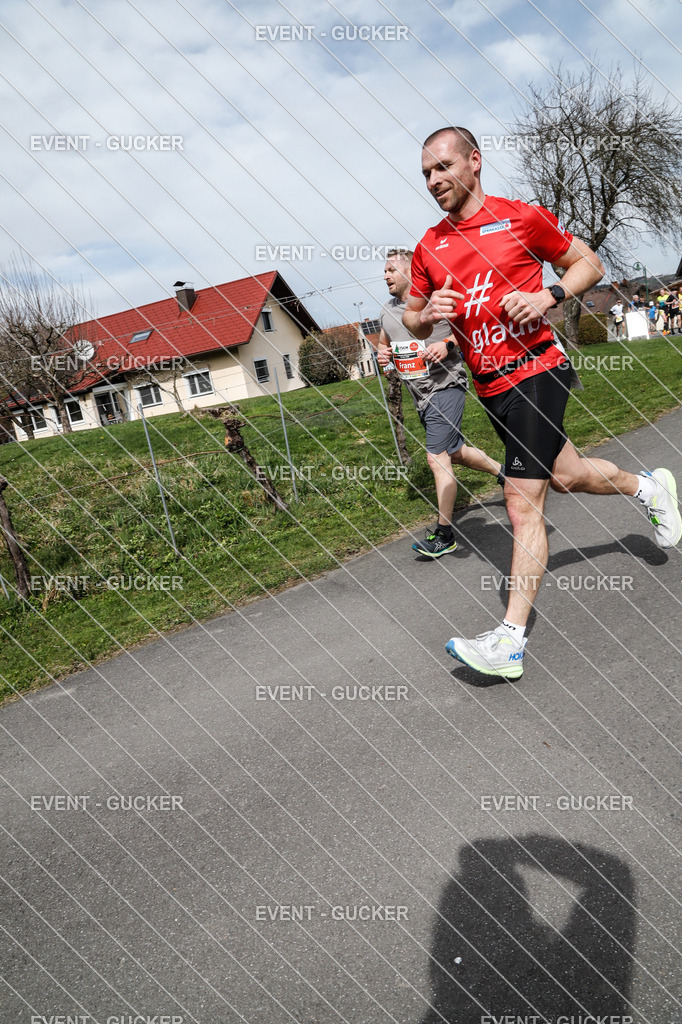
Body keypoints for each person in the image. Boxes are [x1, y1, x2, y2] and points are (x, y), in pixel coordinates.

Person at [403, 125, 682, 679]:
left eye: (443, 167)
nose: (434, 181)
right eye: (427, 174)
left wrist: (548, 294)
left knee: (520, 502)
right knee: (568, 476)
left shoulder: (522, 218)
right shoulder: (429, 246)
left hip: (536, 371)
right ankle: (649, 486)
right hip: (490, 388)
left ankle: (509, 643)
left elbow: (589, 264)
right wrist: (427, 312)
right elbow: (411, 315)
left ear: (474, 162)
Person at [376, 248, 503, 558]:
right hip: (420, 395)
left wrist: (447, 345)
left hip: (446, 385)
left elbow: (470, 331)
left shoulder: (439, 301)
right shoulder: (387, 310)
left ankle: (444, 535)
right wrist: (383, 355)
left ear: (410, 270)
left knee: (437, 458)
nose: (385, 275)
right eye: (384, 270)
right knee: (454, 452)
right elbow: (384, 343)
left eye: (391, 269)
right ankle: (506, 474)